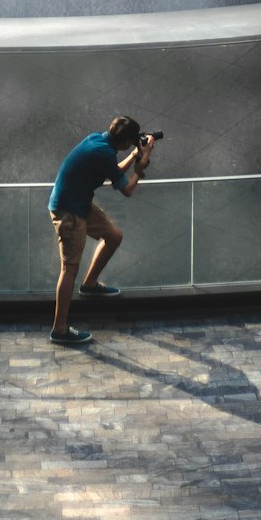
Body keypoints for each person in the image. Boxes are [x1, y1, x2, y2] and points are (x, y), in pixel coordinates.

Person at [48, 115, 156, 347]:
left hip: (79, 203)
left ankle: (90, 285)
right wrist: (141, 166)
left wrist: (133, 155)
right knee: (69, 268)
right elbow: (126, 189)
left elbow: (113, 169)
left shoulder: (98, 140)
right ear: (126, 140)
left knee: (113, 236)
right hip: (69, 212)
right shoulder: (104, 153)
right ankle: (59, 329)